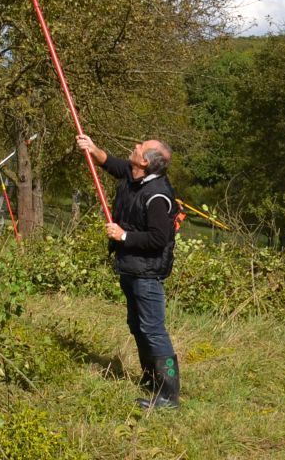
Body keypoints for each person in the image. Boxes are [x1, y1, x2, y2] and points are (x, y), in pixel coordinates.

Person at [76, 132, 180, 409]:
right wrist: (93, 148)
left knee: (153, 330)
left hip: (147, 272)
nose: (134, 145)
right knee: (138, 326)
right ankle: (150, 379)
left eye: (139, 147)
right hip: (130, 267)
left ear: (145, 161)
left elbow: (159, 238)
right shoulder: (134, 176)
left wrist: (122, 236)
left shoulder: (158, 196)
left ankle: (169, 395)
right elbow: (113, 164)